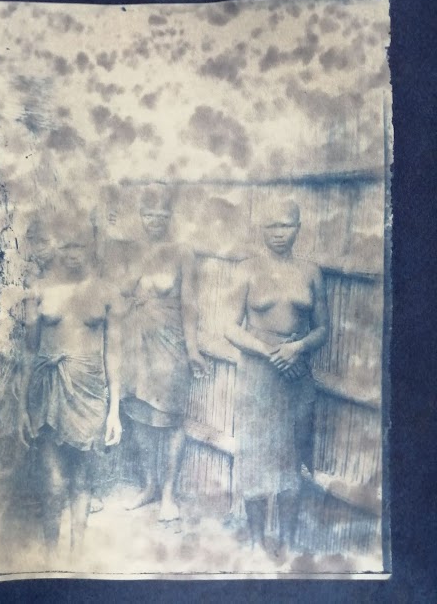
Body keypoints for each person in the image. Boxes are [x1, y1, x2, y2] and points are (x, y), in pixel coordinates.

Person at [225, 199, 328, 556]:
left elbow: (323, 329)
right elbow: (229, 327)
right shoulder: (246, 270)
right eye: (272, 226)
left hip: (297, 375)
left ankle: (286, 543)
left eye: (286, 225)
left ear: (298, 227)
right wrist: (269, 352)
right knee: (254, 457)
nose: (279, 233)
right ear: (261, 229)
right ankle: (256, 544)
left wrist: (297, 348)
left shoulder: (311, 272)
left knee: (292, 460)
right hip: (258, 374)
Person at [18, 214, 123, 558]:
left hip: (90, 394)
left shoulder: (107, 293)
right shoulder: (39, 291)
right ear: (56, 246)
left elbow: (114, 354)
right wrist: (22, 407)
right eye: (66, 246)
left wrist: (114, 411)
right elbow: (29, 351)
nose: (73, 253)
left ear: (91, 246)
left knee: (82, 480)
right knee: (53, 483)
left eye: (80, 246)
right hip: (49, 392)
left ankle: (76, 554)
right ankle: (51, 557)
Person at [122, 185, 206, 521]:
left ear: (171, 216)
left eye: (162, 214)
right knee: (139, 417)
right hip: (136, 344)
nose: (155, 220)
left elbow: (190, 304)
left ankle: (169, 494)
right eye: (149, 214)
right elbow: (119, 295)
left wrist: (193, 349)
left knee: (171, 420)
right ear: (140, 215)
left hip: (170, 345)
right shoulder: (132, 252)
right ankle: (149, 486)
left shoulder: (183, 253)